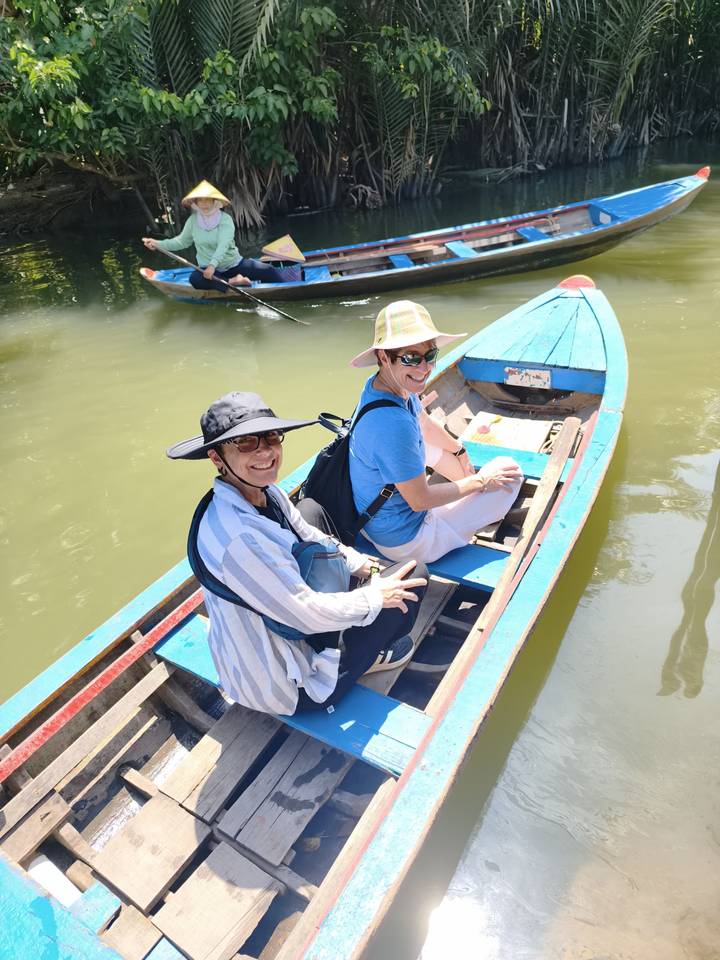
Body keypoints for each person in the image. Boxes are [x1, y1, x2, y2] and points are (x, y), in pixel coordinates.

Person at [167, 391, 427, 717]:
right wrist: (376, 596)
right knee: (414, 578)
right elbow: (305, 613)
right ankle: (360, 659)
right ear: (217, 458)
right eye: (246, 442)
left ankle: (356, 631)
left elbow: (306, 531)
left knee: (311, 510)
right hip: (287, 686)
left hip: (281, 628)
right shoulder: (240, 539)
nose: (266, 451)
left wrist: (359, 563)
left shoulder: (260, 490)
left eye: (272, 437)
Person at [348, 300, 524, 564]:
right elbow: (420, 500)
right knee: (510, 471)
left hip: (377, 520)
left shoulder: (385, 386)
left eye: (429, 355)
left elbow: (425, 424)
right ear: (383, 358)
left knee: (433, 449)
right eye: (410, 358)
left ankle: (470, 498)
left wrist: (459, 449)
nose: (424, 368)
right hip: (409, 542)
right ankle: (473, 504)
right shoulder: (393, 424)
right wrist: (482, 480)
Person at [142, 180, 299, 292]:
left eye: (207, 200)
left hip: (233, 264)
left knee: (269, 271)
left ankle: (288, 290)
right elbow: (181, 242)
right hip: (209, 271)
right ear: (195, 202)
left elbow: (223, 246)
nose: (204, 204)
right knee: (195, 279)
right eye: (200, 200)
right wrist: (157, 243)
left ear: (214, 201)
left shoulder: (225, 220)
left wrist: (213, 264)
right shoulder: (192, 221)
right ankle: (233, 282)